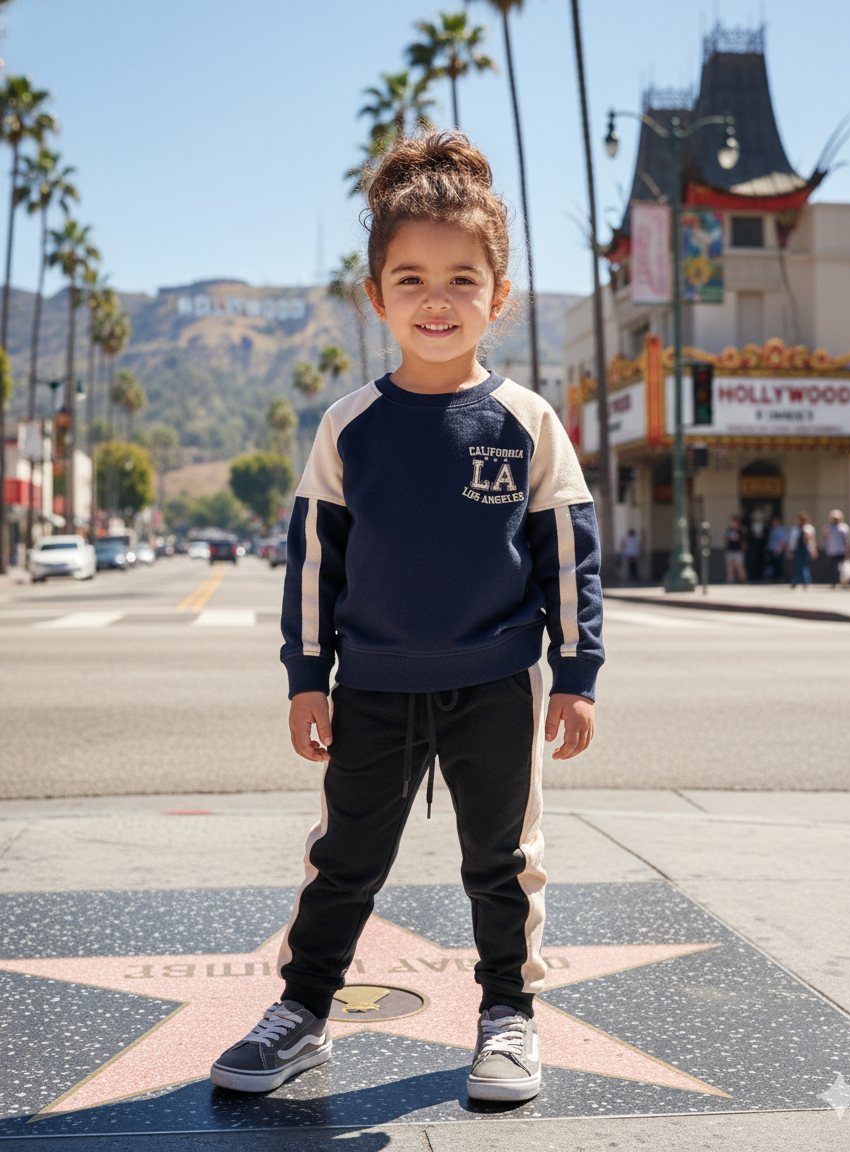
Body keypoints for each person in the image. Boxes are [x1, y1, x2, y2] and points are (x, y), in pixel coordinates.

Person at [210, 132, 603, 1104]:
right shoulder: (351, 424)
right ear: (376, 294)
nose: (437, 299)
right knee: (342, 859)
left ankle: (508, 1016)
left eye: (462, 279)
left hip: (495, 684)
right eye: (411, 277)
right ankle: (301, 1012)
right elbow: (313, 561)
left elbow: (569, 554)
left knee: (502, 864)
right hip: (374, 685)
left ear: (498, 296)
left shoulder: (525, 420)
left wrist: (578, 675)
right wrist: (307, 678)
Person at [823, 509, 850, 588]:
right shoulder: (829, 527)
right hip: (832, 550)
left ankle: (843, 580)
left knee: (842, 567)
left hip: (841, 550)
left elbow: (847, 540)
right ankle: (834, 582)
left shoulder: (844, 527)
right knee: (833, 567)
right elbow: (825, 537)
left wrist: (848, 551)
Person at [788, 510, 817, 589]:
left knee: (804, 566)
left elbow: (812, 540)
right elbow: (792, 541)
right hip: (797, 549)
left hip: (806, 549)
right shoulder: (795, 529)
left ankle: (806, 582)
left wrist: (813, 550)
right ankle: (795, 581)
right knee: (797, 566)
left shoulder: (809, 528)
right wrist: (790, 551)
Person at [764, 516, 788, 582]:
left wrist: (779, 549)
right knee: (773, 565)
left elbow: (783, 541)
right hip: (771, 549)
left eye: (775, 521)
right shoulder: (772, 529)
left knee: (779, 565)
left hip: (777, 550)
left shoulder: (781, 529)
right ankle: (774, 578)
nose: (773, 522)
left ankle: (780, 578)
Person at [723, 515, 747, 584]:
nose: (732, 523)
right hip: (730, 550)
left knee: (739, 566)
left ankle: (743, 580)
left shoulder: (740, 530)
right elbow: (725, 539)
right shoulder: (729, 530)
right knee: (729, 566)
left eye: (733, 522)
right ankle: (730, 580)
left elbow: (743, 540)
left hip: (738, 550)